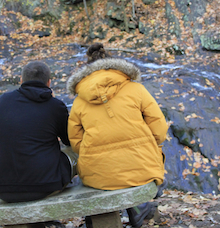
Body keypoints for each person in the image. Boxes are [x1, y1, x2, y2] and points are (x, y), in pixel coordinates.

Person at [66, 43, 169, 228]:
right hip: (141, 166)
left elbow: (75, 141)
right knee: (148, 164)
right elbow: (159, 127)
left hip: (96, 175)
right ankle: (140, 207)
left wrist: (94, 152)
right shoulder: (136, 89)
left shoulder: (79, 101)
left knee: (105, 177)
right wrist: (149, 145)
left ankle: (102, 216)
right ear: (114, 65)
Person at [0, 61, 77, 203]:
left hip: (1, 189)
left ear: (21, 81)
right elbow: (69, 140)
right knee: (74, 151)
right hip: (45, 186)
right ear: (49, 83)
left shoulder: (1, 101)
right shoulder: (55, 106)